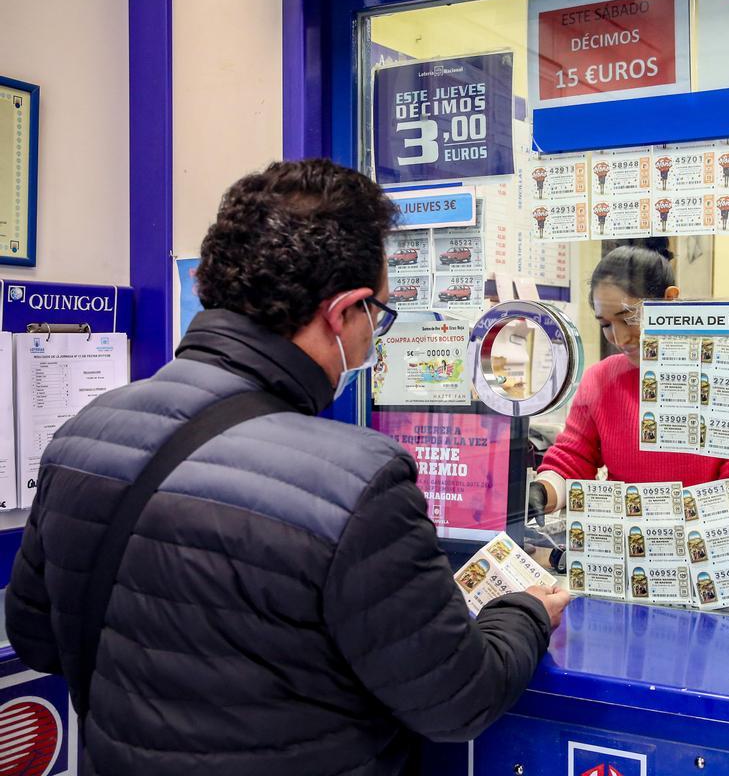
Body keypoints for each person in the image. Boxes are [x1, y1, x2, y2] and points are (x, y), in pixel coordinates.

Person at [5, 159, 570, 776]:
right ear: (343, 312)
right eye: (377, 317)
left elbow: (37, 637)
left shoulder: (84, 437)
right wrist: (523, 612)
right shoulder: (357, 482)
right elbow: (458, 702)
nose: (371, 340)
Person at [529, 241, 729, 520]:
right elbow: (572, 461)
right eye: (606, 324)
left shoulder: (728, 376)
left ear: (669, 300)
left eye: (630, 317)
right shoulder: (601, 379)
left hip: (708, 547)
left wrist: (663, 522)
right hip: (624, 547)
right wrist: (543, 491)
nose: (620, 338)